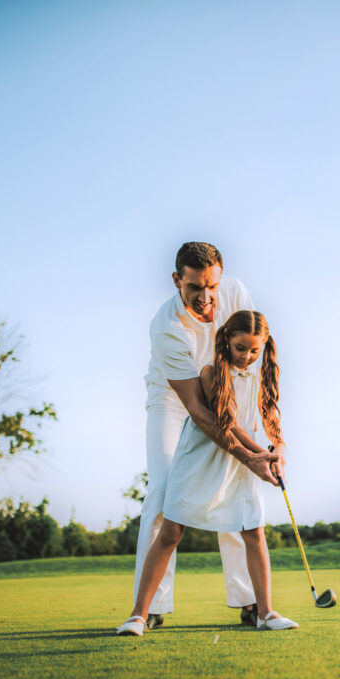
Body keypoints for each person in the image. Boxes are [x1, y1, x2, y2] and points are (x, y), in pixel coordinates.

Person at [119, 310, 297, 635]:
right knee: (171, 532)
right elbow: (230, 425)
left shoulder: (261, 378)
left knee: (253, 533)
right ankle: (138, 615)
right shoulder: (211, 373)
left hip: (241, 463)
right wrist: (259, 456)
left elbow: (270, 416)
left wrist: (278, 447)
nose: (247, 356)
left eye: (254, 350)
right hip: (201, 458)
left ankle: (266, 613)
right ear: (227, 339)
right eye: (241, 347)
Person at [136, 242, 280, 630]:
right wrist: (249, 455)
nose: (206, 297)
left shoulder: (235, 292)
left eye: (211, 286)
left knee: (234, 488)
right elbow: (199, 412)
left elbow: (256, 367)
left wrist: (269, 441)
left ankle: (250, 602)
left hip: (228, 387)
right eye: (194, 288)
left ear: (221, 278)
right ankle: (150, 607)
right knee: (164, 492)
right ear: (176, 281)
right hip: (173, 397)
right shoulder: (165, 328)